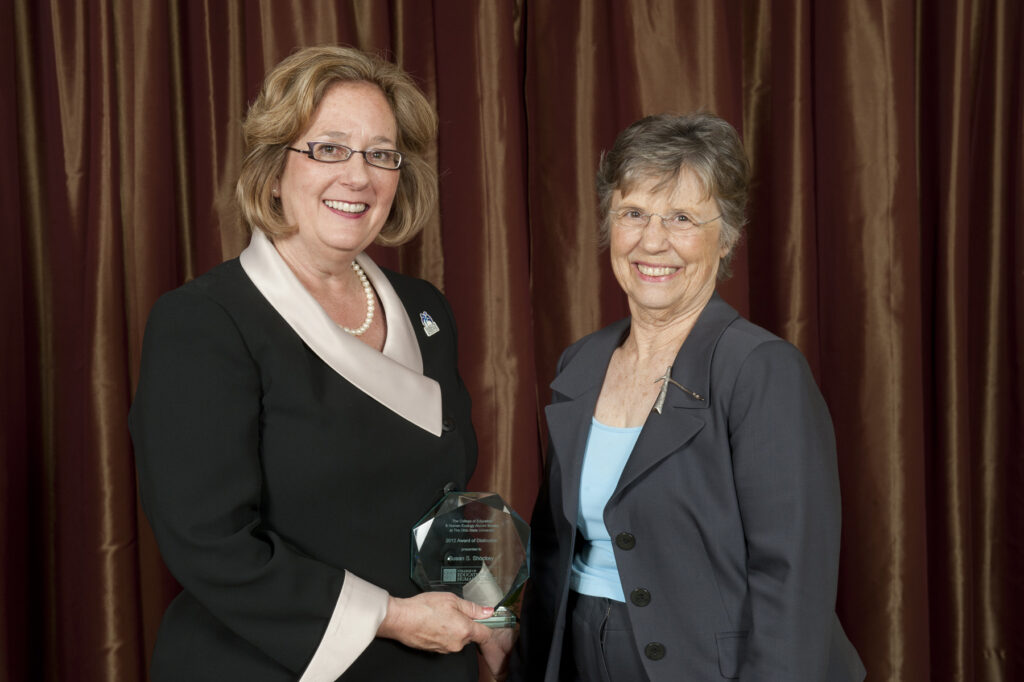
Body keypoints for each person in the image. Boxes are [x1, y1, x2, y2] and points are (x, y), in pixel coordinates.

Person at [130, 45, 510, 681]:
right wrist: (390, 616)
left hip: (430, 663)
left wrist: (488, 601)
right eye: (329, 148)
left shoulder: (424, 308)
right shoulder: (204, 320)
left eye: (380, 154)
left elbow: (447, 497)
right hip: (264, 664)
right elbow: (210, 544)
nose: (358, 177)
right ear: (275, 169)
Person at [513, 113, 866, 681]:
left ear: (726, 236)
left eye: (681, 218)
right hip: (580, 656)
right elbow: (555, 552)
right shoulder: (580, 363)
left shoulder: (760, 370)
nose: (652, 241)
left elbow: (793, 580)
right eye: (633, 214)